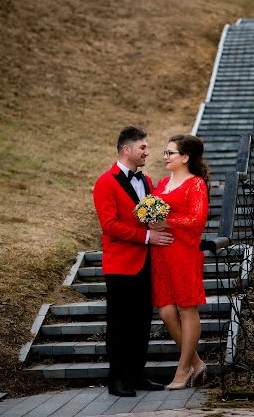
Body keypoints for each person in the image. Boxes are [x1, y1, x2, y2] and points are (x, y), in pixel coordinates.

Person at [93, 125, 174, 397]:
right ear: (126, 149)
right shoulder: (105, 182)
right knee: (119, 324)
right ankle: (116, 380)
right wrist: (148, 237)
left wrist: (162, 226)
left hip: (146, 264)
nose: (147, 152)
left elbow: (150, 218)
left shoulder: (147, 181)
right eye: (143, 147)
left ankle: (138, 375)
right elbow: (110, 225)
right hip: (120, 265)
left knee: (141, 322)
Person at [149, 134, 209, 390]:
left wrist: (168, 222)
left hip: (184, 252)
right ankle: (197, 363)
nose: (165, 156)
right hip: (161, 254)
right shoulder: (162, 183)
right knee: (165, 311)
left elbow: (198, 220)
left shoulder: (196, 184)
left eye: (170, 153)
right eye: (165, 152)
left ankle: (182, 370)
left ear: (185, 158)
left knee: (187, 309)